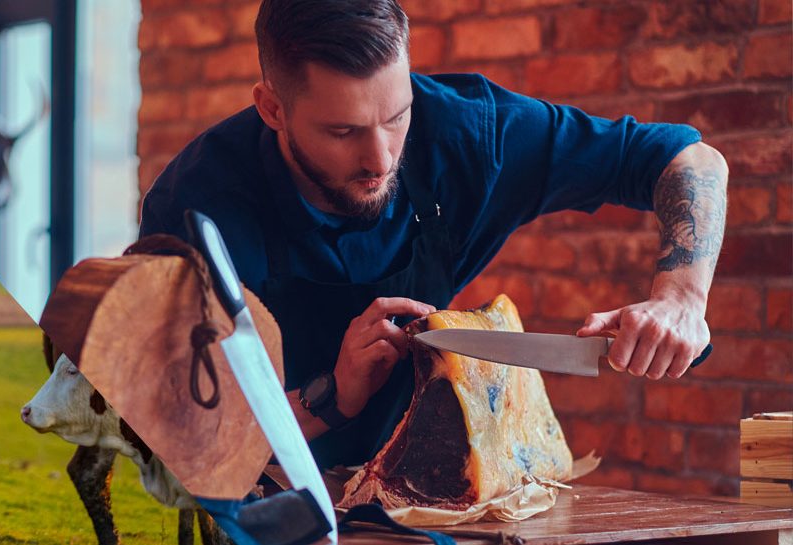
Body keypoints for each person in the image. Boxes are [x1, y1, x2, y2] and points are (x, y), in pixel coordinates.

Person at [138, 0, 726, 469]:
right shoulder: (195, 210)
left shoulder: (469, 135)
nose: (381, 158)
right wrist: (332, 396)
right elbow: (185, 438)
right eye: (343, 131)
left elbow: (691, 160)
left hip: (420, 499)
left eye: (396, 117)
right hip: (260, 501)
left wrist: (681, 298)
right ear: (272, 109)